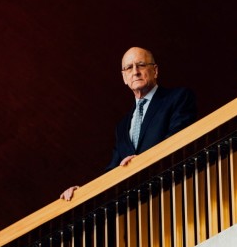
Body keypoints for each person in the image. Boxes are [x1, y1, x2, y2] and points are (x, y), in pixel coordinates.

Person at [60, 46, 197, 201]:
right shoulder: (122, 126)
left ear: (155, 71)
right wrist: (82, 193)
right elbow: (112, 171)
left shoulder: (178, 98)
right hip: (140, 205)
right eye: (129, 68)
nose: (135, 71)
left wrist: (139, 163)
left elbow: (177, 143)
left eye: (141, 65)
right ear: (124, 77)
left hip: (175, 192)